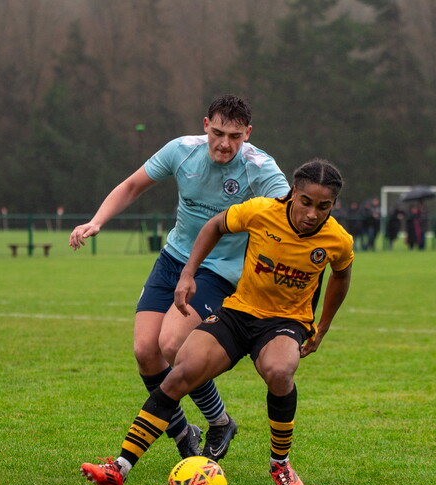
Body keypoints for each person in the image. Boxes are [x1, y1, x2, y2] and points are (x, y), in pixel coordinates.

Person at [81, 159, 353, 485]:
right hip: (238, 312)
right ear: (293, 194)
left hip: (285, 322)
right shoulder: (260, 211)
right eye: (306, 202)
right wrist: (188, 273)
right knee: (182, 371)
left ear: (333, 205)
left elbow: (341, 275)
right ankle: (119, 468)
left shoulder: (338, 240)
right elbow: (214, 226)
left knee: (280, 370)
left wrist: (322, 327)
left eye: (323, 206)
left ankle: (279, 464)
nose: (312, 213)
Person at [69, 95, 289, 462]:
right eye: (217, 132)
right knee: (145, 352)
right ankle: (185, 432)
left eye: (235, 136)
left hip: (219, 269)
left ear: (247, 134)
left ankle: (219, 421)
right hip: (174, 258)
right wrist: (97, 221)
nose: (224, 143)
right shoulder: (181, 151)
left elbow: (288, 216)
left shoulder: (261, 169)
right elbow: (131, 186)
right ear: (205, 125)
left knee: (172, 344)